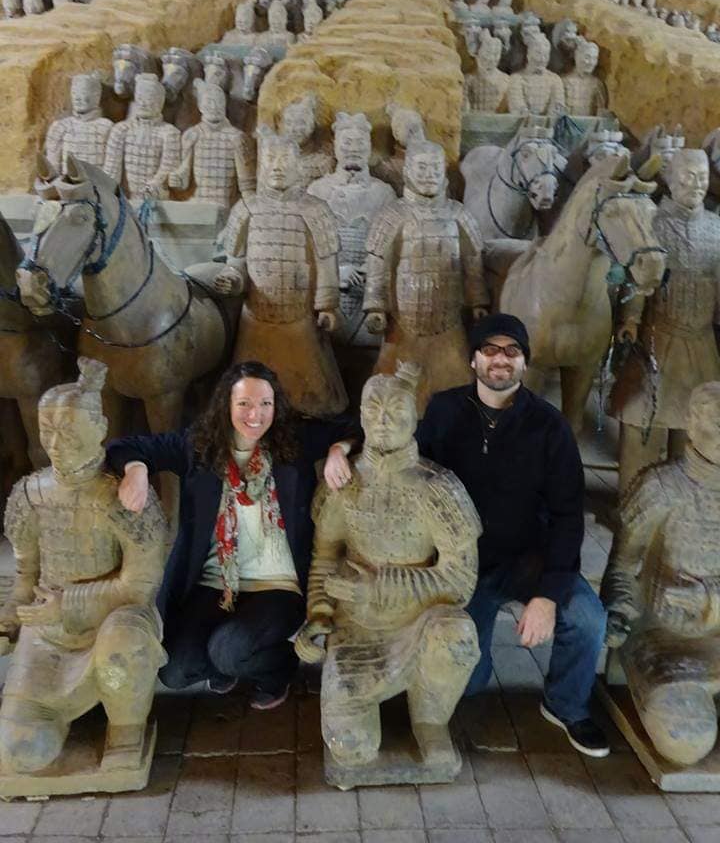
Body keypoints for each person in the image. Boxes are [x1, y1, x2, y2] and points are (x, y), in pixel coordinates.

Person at [106, 360, 356, 710]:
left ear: (276, 405)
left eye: (265, 403)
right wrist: (136, 469)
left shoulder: (295, 440)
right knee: (174, 671)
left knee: (227, 650)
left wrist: (338, 450)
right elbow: (126, 446)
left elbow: (356, 427)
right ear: (226, 404)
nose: (256, 414)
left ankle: (277, 668)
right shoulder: (199, 446)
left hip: (279, 585)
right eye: (244, 404)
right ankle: (230, 661)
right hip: (216, 582)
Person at [414, 313, 609, 757]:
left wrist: (548, 595)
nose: (500, 359)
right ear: (474, 360)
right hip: (463, 565)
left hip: (528, 558)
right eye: (490, 350)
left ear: (524, 362)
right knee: (469, 682)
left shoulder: (550, 427)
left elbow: (567, 516)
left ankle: (566, 705)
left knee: (586, 618)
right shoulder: (444, 410)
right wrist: (342, 447)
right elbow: (405, 461)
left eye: (512, 351)